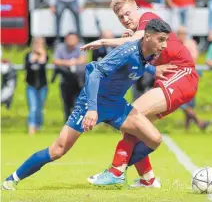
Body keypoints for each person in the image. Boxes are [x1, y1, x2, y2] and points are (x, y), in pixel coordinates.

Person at [2, 19, 177, 190]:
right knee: (58, 150)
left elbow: (138, 64)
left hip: (115, 105)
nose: (164, 45)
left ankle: (116, 172)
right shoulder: (127, 52)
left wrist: (154, 70)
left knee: (154, 139)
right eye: (161, 39)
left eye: (166, 40)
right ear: (147, 36)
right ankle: (11, 179)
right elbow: (95, 75)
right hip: (91, 102)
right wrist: (92, 109)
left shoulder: (150, 53)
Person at [81, 0, 198, 188]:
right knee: (135, 127)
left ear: (137, 7)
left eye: (128, 13)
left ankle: (116, 171)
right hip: (169, 78)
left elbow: (134, 40)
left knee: (132, 115)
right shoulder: (138, 32)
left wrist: (103, 41)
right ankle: (147, 179)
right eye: (120, 17)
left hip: (182, 75)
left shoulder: (148, 18)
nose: (125, 18)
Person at [177, 26, 209, 130]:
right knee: (180, 101)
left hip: (190, 76)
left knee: (189, 102)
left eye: (183, 33)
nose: (182, 35)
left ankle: (187, 128)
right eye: (180, 33)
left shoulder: (190, 44)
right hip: (178, 77)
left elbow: (193, 58)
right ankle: (199, 123)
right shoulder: (174, 44)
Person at [52, 32, 87, 122]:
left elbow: (83, 60)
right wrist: (68, 63)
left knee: (79, 102)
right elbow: (55, 60)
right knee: (67, 103)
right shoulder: (60, 48)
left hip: (79, 80)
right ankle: (68, 123)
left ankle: (79, 122)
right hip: (65, 80)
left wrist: (72, 62)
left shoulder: (81, 47)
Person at [25, 37, 49, 135]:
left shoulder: (45, 55)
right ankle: (31, 126)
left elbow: (43, 63)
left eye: (40, 43)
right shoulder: (28, 55)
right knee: (33, 107)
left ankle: (38, 125)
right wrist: (33, 59)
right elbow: (27, 66)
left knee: (40, 107)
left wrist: (42, 54)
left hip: (43, 86)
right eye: (36, 43)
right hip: (31, 85)